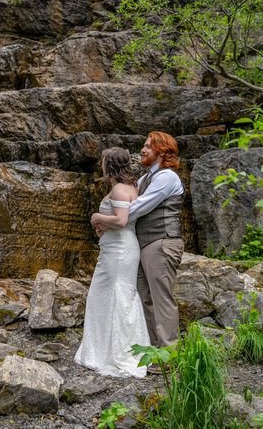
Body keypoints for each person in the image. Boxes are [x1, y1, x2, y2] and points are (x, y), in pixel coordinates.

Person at [93, 132, 185, 375]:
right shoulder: (146, 178)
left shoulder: (166, 178)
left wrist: (107, 222)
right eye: (143, 146)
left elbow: (137, 208)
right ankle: (155, 353)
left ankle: (169, 357)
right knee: (145, 298)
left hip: (163, 242)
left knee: (162, 299)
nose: (142, 150)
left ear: (162, 151)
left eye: (147, 146)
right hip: (143, 244)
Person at [75, 147, 149, 378]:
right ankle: (108, 349)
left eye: (104, 162)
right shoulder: (131, 186)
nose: (102, 166)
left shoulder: (118, 188)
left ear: (110, 165)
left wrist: (98, 218)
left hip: (119, 250)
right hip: (118, 246)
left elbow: (121, 219)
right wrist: (103, 228)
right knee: (112, 296)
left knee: (112, 295)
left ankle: (115, 352)